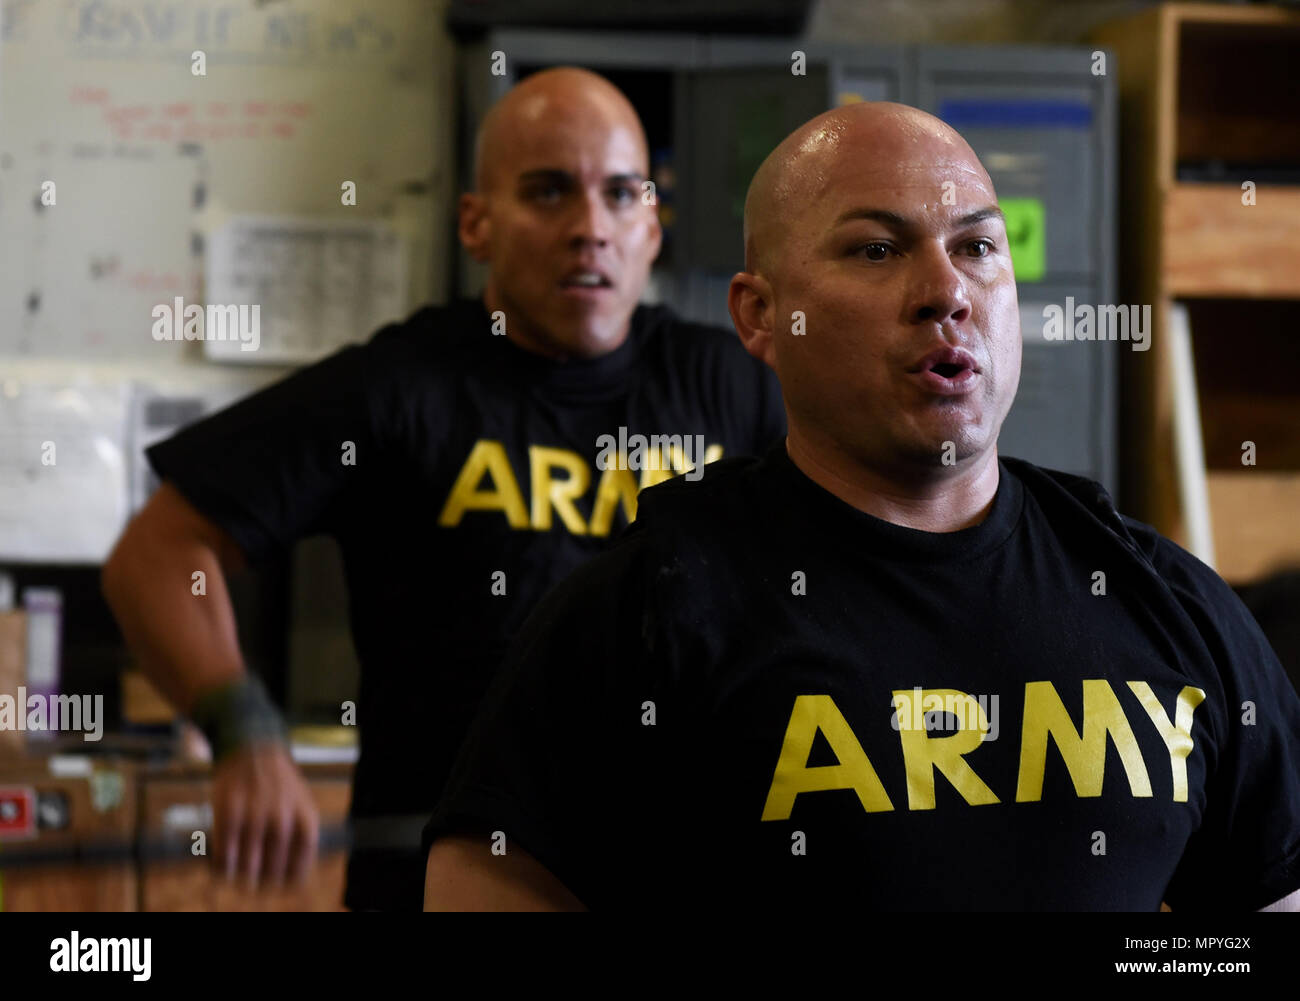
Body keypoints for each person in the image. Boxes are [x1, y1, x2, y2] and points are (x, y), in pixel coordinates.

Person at [421, 101, 1300, 912]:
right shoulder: (643, 616)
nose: (945, 290)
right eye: (877, 249)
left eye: (978, 247)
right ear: (762, 315)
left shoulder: (1164, 601)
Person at [101, 67, 785, 911]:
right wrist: (242, 730)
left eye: (621, 194)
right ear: (476, 223)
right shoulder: (397, 389)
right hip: (437, 884)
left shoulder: (738, 385)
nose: (590, 229)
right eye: (548, 193)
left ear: (652, 223)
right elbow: (158, 555)